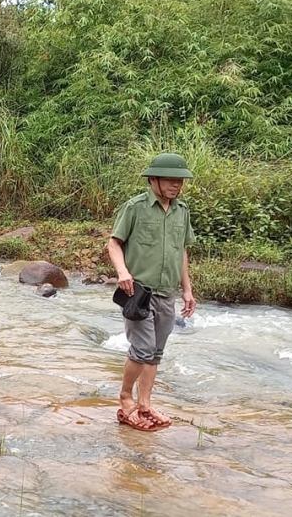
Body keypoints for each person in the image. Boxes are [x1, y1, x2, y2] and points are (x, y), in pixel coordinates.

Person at [106, 152, 197, 432]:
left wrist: (187, 290)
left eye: (180, 181)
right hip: (138, 292)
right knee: (142, 350)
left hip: (167, 293)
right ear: (153, 179)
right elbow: (114, 243)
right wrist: (122, 272)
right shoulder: (135, 208)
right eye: (170, 180)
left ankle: (145, 402)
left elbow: (180, 251)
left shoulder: (182, 211)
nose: (176, 186)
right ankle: (125, 398)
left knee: (156, 352)